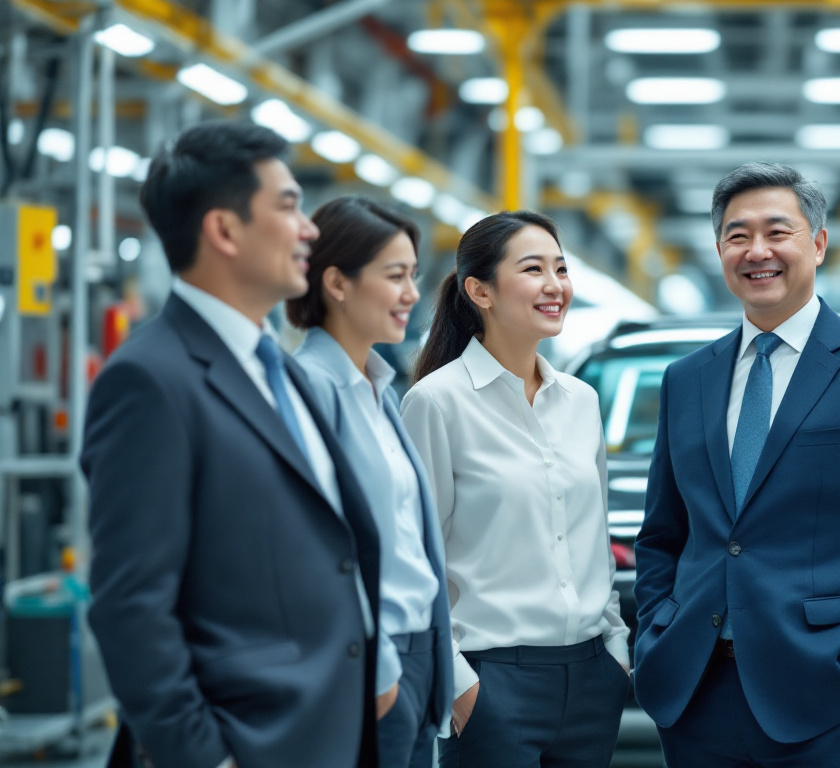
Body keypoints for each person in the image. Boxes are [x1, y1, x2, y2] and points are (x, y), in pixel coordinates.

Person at [633, 162, 840, 768]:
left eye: (776, 232)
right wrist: (655, 629)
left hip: (828, 690)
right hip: (695, 690)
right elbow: (663, 532)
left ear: (817, 242)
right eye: (738, 235)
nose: (757, 251)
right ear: (719, 250)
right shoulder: (687, 379)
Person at [81, 122, 382, 768]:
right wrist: (203, 758)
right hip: (249, 743)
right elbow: (131, 607)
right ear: (223, 230)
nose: (309, 229)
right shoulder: (150, 380)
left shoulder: (284, 372)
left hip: (327, 737)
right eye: (288, 206)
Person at [401, 211, 630, 768]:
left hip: (590, 678)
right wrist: (457, 684)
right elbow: (413, 560)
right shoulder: (437, 402)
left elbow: (591, 537)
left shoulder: (581, 402)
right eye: (533, 269)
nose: (555, 286)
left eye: (561, 268)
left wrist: (615, 647)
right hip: (492, 678)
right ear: (479, 290)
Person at [287, 196, 454, 768]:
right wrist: (380, 668)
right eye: (395, 276)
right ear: (336, 281)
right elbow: (314, 549)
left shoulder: (380, 390)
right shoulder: (307, 390)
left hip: (418, 656)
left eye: (414, 275)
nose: (412, 293)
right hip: (368, 664)